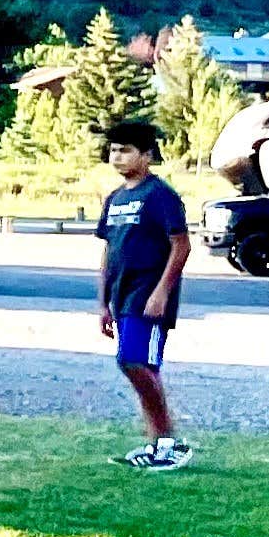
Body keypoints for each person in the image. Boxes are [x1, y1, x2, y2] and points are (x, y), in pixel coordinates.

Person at [97, 120, 194, 472]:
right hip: (121, 298)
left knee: (133, 361)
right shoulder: (115, 199)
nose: (117, 157)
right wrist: (103, 303)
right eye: (113, 150)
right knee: (141, 367)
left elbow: (180, 245)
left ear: (147, 155)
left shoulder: (159, 195)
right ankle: (158, 445)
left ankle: (170, 441)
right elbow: (109, 251)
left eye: (125, 150)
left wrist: (161, 292)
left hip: (147, 295)